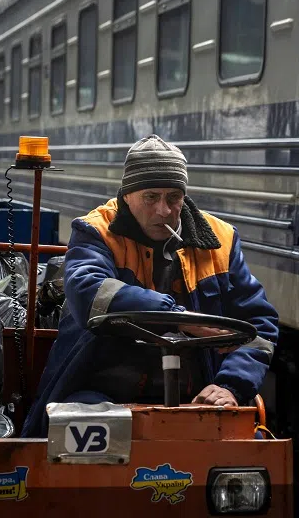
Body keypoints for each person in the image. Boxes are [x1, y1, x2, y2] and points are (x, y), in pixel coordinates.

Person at [21, 134, 279, 437]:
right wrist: (185, 321)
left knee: (247, 449)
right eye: (150, 197)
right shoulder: (96, 231)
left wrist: (229, 386)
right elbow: (86, 290)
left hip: (196, 394)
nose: (164, 210)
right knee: (77, 442)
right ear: (127, 196)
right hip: (101, 390)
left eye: (173, 197)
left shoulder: (220, 241)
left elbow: (260, 325)